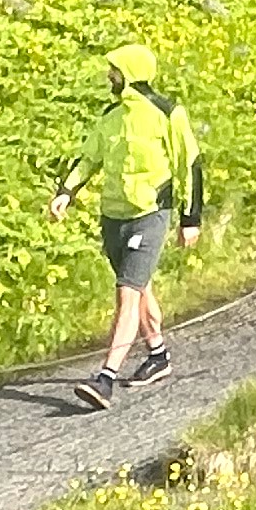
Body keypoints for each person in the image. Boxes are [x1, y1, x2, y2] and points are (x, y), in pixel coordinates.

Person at [48, 42, 203, 410]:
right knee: (140, 287)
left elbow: (190, 165)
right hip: (112, 217)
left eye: (114, 70)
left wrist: (190, 219)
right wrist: (66, 191)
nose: (109, 76)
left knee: (127, 292)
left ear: (130, 72)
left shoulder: (168, 113)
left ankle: (105, 378)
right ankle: (158, 355)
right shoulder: (111, 116)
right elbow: (89, 158)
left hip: (150, 214)